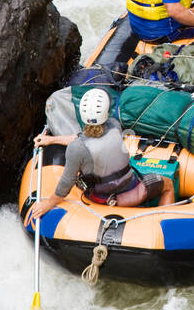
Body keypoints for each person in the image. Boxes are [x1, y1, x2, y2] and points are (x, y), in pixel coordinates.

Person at [25, 89, 173, 227]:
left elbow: (65, 183)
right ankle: (164, 224)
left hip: (105, 200)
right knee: (168, 185)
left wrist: (48, 204)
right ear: (106, 112)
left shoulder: (76, 149)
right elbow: (86, 139)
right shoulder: (115, 125)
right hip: (134, 191)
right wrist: (52, 140)